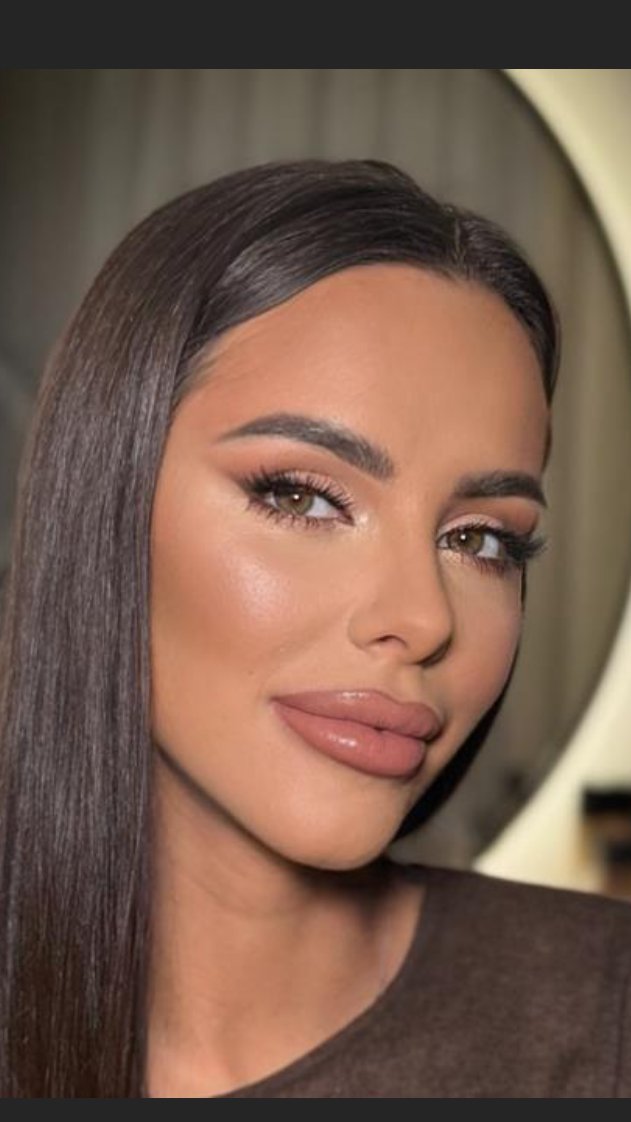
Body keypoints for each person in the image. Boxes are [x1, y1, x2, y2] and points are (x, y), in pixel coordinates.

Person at [0, 159, 629, 1099]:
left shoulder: (602, 1017)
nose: (422, 619)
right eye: (301, 497)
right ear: (103, 497)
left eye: (479, 539)